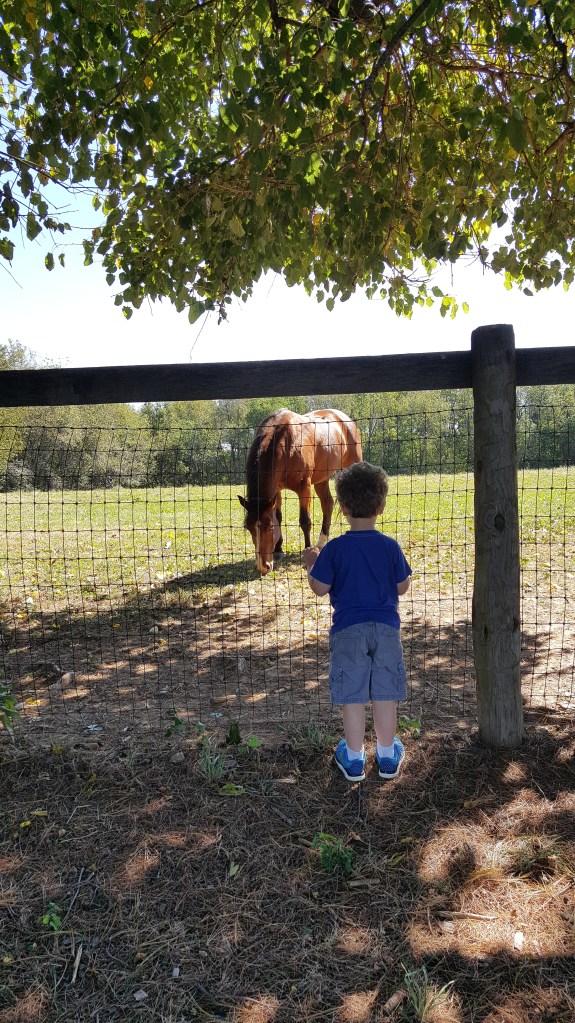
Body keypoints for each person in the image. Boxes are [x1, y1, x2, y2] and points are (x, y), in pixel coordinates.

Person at [303, 461, 411, 782]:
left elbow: (320, 589)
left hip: (348, 632)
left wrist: (312, 565)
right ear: (381, 506)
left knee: (352, 694)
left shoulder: (334, 549)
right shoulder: (390, 546)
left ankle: (353, 759)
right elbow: (402, 587)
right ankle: (388, 754)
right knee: (384, 691)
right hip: (387, 630)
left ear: (344, 508)